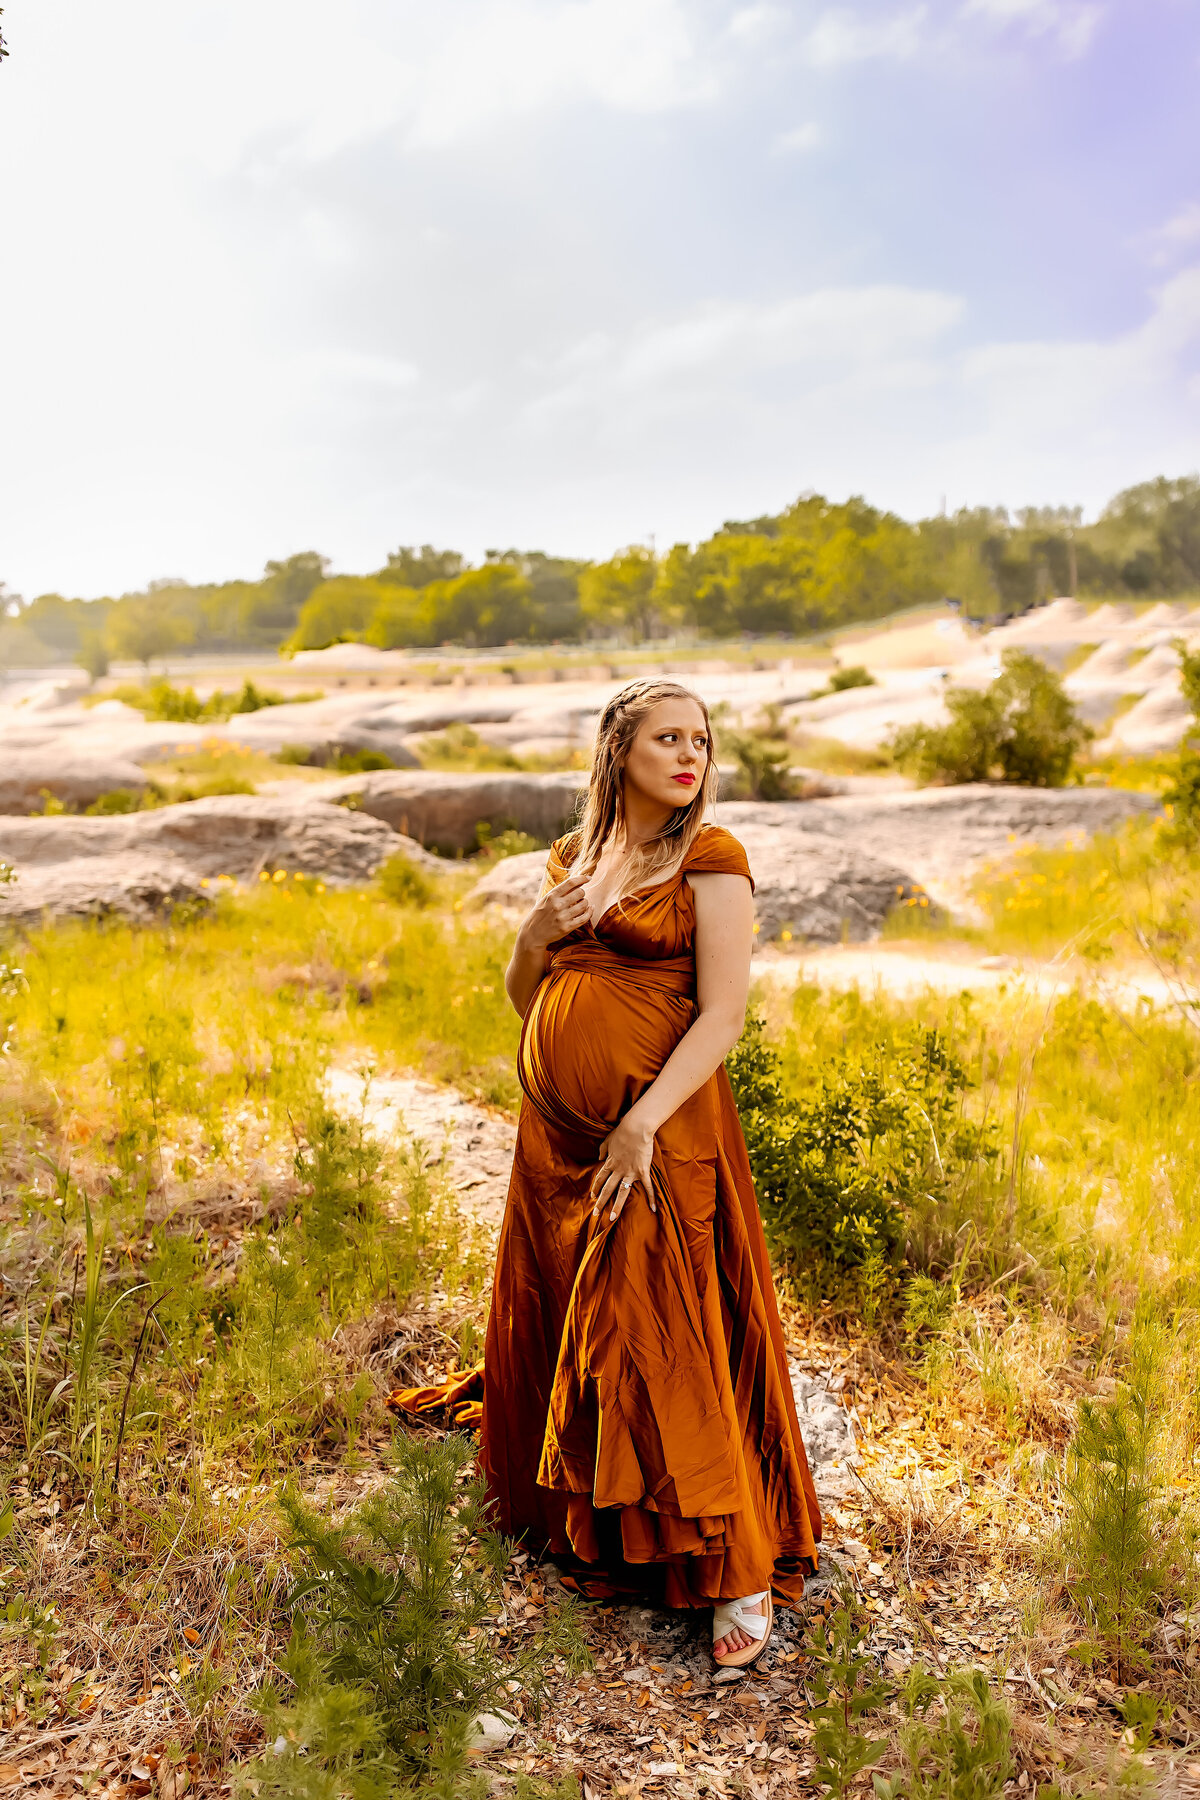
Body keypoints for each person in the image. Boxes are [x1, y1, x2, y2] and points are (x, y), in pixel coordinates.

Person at [395, 678, 820, 1670]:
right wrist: (532, 936)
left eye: (703, 742)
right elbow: (524, 997)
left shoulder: (710, 858)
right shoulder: (573, 860)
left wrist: (639, 1125)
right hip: (557, 1140)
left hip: (656, 1130)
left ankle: (735, 1570)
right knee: (576, 1314)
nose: (691, 757)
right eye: (668, 737)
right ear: (617, 747)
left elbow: (722, 1015)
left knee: (657, 1326)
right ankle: (586, 1513)